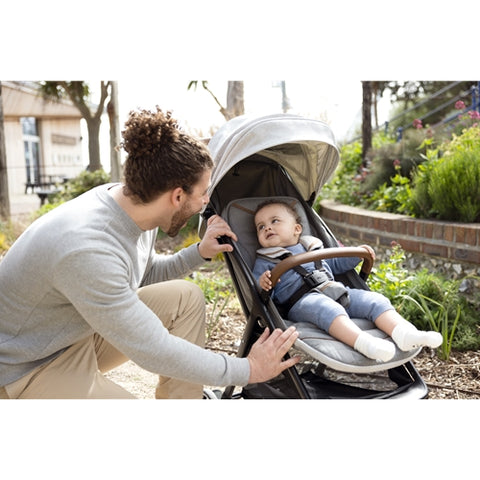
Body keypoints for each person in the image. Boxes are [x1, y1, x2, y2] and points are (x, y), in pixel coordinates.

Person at [0, 108, 299, 399]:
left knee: (185, 297)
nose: (206, 201)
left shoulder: (134, 205)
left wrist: (199, 252)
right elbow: (155, 350)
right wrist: (249, 369)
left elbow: (142, 273)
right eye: (203, 193)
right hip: (25, 367)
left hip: (74, 333)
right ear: (177, 196)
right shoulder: (88, 249)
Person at [252, 199, 442, 362]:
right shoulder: (265, 260)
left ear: (297, 229)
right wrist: (263, 283)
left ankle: (403, 333)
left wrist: (356, 255)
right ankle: (364, 343)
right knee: (326, 308)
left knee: (375, 300)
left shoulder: (313, 247)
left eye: (274, 221)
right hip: (302, 302)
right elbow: (258, 289)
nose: (267, 227)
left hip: (335, 289)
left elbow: (335, 264)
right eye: (261, 227)